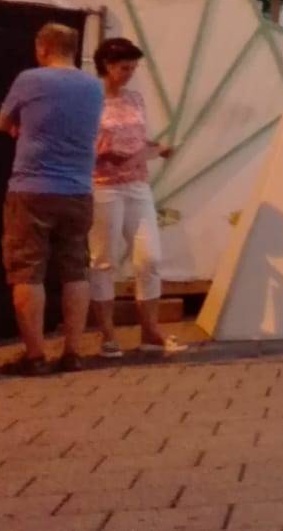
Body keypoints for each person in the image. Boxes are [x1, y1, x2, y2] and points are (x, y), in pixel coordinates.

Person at [0, 23, 104, 375]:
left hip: (32, 189)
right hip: (78, 190)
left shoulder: (30, 80)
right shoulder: (94, 86)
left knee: (28, 271)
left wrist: (21, 127)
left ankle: (35, 356)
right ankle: (73, 353)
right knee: (75, 270)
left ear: (42, 47)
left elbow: (3, 122)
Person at [86, 38, 187, 358]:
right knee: (103, 260)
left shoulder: (135, 99)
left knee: (149, 258)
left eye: (132, 68)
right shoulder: (90, 99)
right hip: (103, 185)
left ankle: (150, 331)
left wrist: (157, 148)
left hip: (137, 183)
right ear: (106, 66)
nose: (129, 74)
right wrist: (106, 154)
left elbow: (137, 138)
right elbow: (81, 143)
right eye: (123, 68)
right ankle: (107, 335)